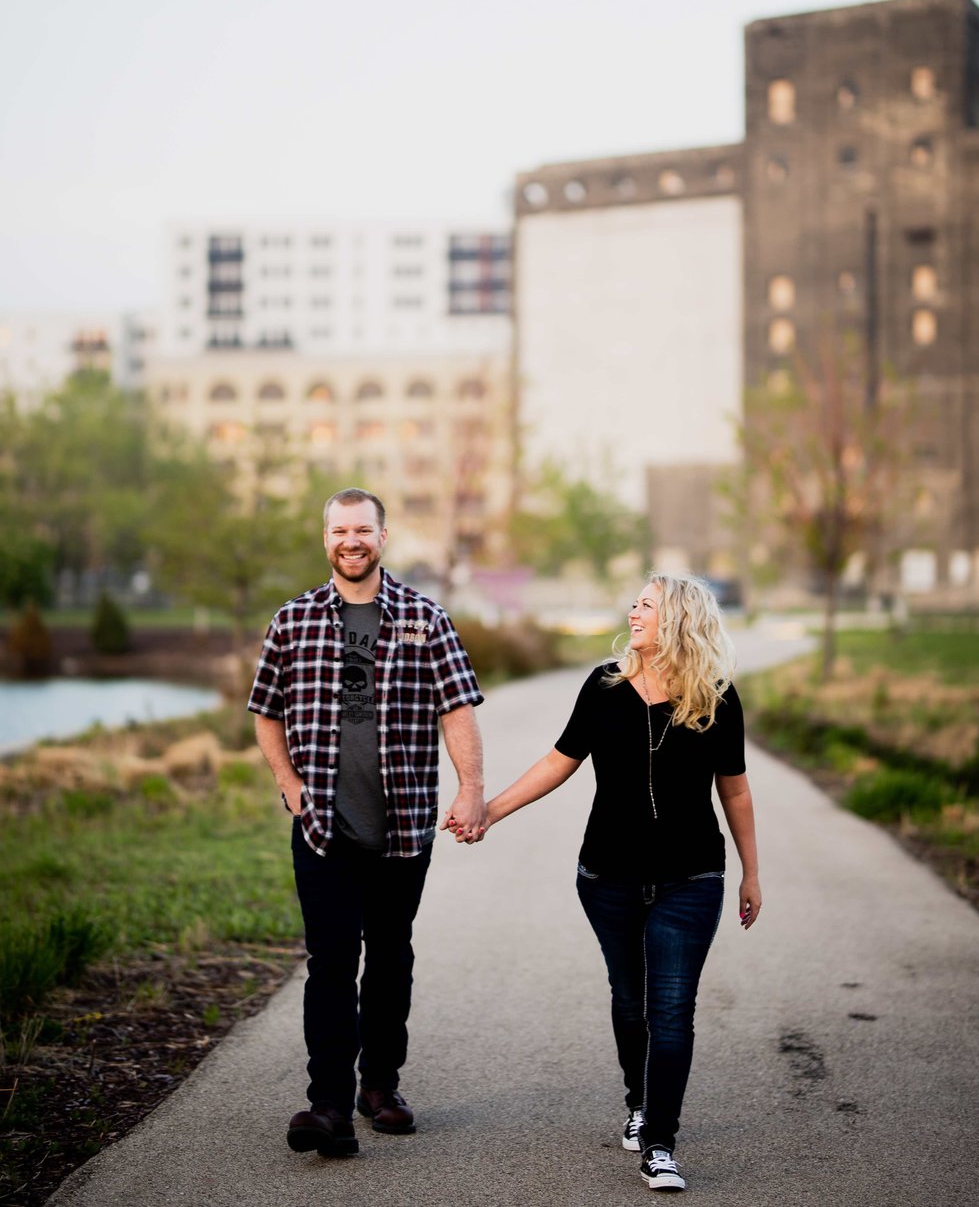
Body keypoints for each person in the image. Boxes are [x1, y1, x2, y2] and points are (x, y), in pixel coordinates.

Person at [451, 573, 760, 1192]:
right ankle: (637, 1101)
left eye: (645, 605)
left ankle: (661, 1143)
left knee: (672, 1011)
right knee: (630, 999)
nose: (633, 612)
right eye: (636, 603)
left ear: (676, 618)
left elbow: (736, 791)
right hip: (608, 877)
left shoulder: (718, 698)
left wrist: (753, 872)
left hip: (691, 877)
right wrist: (488, 810)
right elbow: (557, 762)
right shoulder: (604, 686)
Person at [248, 487, 487, 1159]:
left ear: (383, 537)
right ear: (325, 538)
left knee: (389, 958)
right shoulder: (292, 620)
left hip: (404, 826)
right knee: (329, 963)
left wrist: (471, 789)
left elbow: (458, 706)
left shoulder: (423, 617)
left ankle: (380, 1086)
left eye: (362, 530)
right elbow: (265, 708)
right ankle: (327, 1104)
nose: (350, 542)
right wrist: (287, 782)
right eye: (339, 531)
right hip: (322, 826)